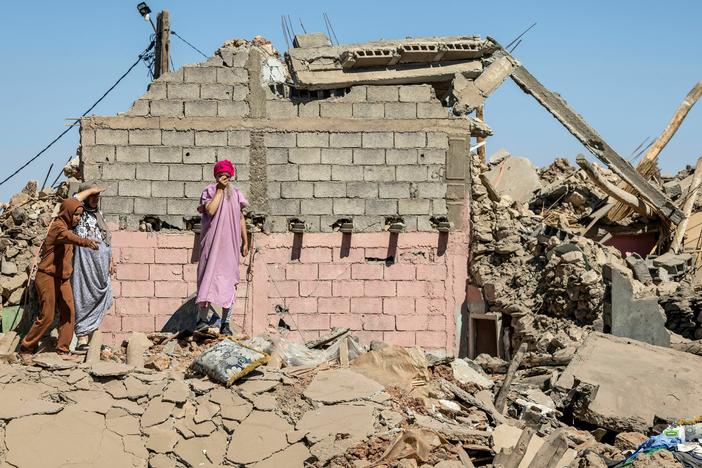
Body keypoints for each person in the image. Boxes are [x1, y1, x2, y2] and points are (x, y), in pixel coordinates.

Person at [19, 198, 99, 356]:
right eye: (75, 214)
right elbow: (68, 237)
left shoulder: (70, 228)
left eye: (80, 215)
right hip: (47, 276)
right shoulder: (58, 227)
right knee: (47, 316)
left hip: (62, 278)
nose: (77, 218)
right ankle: (26, 348)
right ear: (68, 212)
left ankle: (63, 349)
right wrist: (85, 242)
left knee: (69, 312)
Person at [195, 159, 249, 335]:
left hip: (230, 245)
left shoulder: (236, 193)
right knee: (207, 278)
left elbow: (240, 218)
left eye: (225, 175)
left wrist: (245, 241)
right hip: (212, 244)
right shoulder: (210, 190)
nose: (223, 177)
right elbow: (210, 210)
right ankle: (201, 320)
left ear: (231, 175)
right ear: (215, 175)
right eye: (220, 175)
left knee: (229, 280)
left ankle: (225, 323)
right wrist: (219, 189)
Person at [72, 182, 115, 353]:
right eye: (92, 196)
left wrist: (111, 260)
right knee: (83, 296)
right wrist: (88, 190)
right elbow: (72, 201)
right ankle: (82, 339)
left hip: (101, 266)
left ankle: (92, 342)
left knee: (103, 298)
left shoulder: (99, 214)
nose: (96, 199)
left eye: (98, 196)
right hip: (85, 263)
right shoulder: (77, 212)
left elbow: (106, 239)